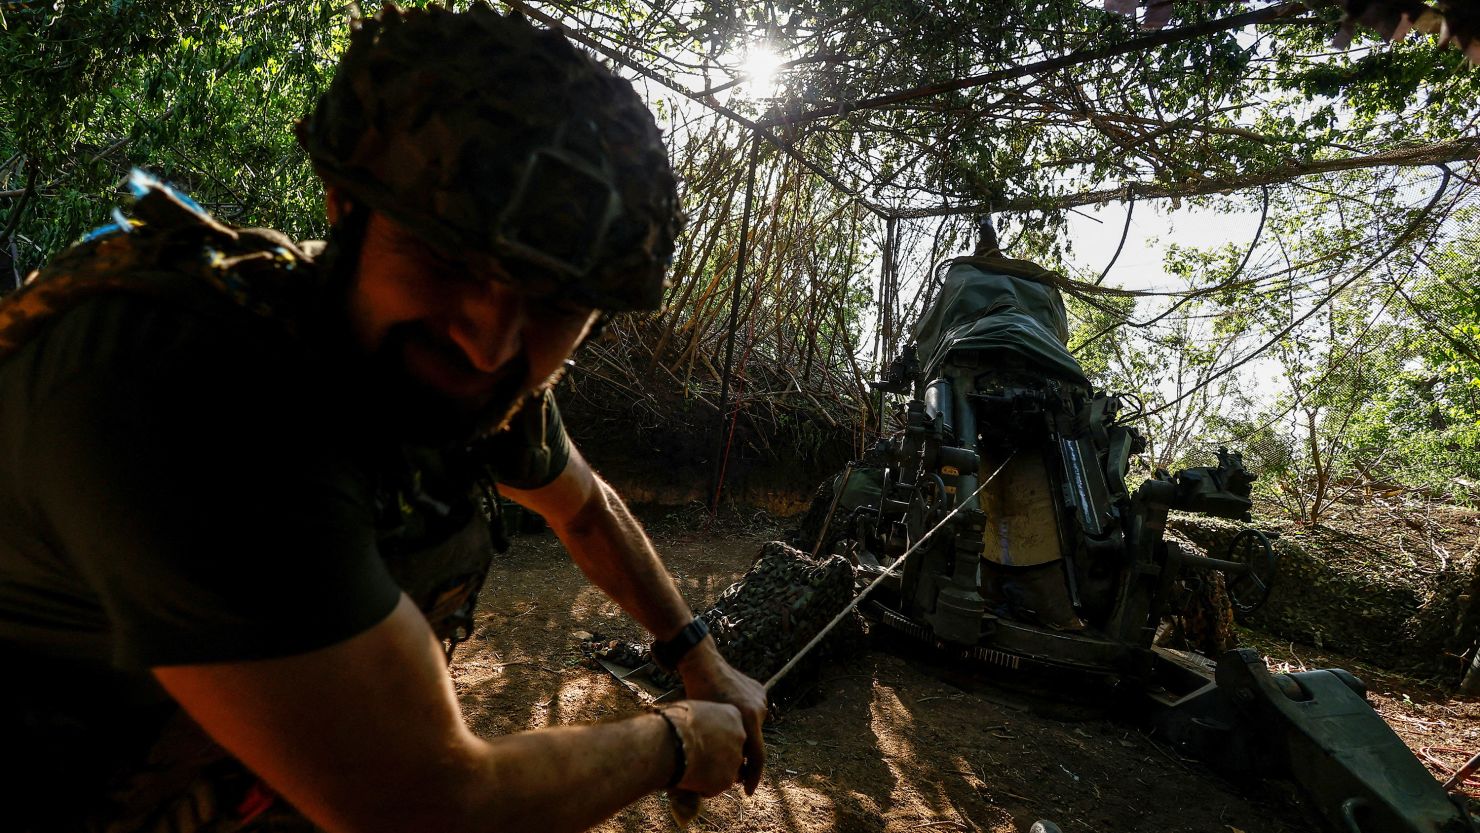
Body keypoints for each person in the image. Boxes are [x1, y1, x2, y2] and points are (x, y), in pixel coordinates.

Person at [0, 5, 766, 832]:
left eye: (554, 303)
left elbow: (585, 506)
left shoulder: (462, 381)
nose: (486, 341)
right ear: (342, 210)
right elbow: (426, 804)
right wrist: (679, 741)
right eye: (445, 259)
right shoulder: (177, 387)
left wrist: (695, 653)